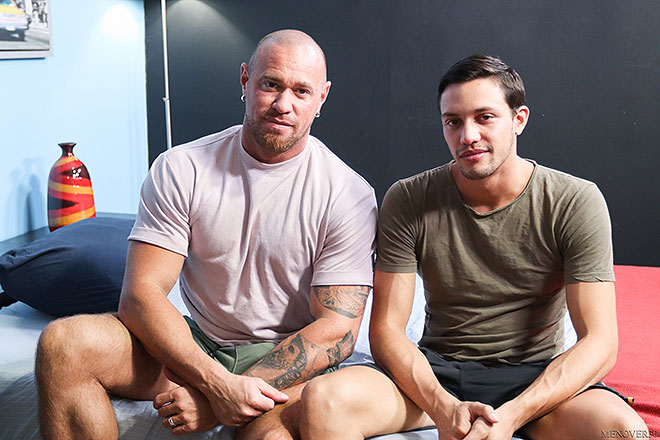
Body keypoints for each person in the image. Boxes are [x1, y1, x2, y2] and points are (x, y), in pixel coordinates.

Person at [34, 29, 377, 439]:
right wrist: (215, 384)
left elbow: (338, 330)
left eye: (301, 91)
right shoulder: (182, 168)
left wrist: (220, 401)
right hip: (197, 341)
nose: (283, 105)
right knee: (63, 345)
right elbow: (141, 294)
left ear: (321, 98)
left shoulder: (347, 194)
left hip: (284, 354)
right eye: (271, 84)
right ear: (245, 80)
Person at [298, 55, 649, 439]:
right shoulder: (409, 198)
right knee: (324, 399)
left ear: (519, 119)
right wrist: (442, 407)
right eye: (453, 121)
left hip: (535, 379)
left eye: (485, 117)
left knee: (625, 431)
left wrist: (512, 416)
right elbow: (386, 330)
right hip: (437, 373)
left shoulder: (575, 201)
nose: (467, 136)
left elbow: (600, 341)